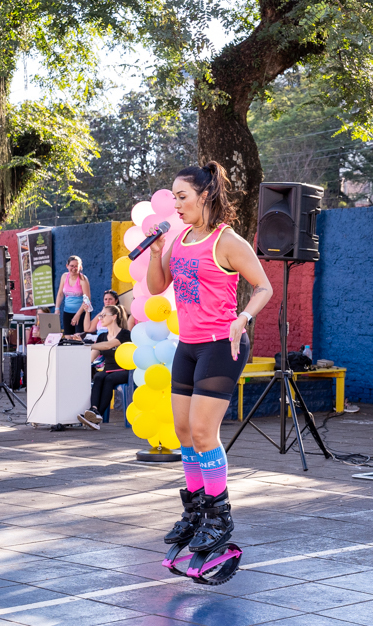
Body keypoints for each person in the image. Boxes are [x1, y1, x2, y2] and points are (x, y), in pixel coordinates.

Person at [146, 162, 273, 554]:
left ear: (205, 195)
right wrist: (155, 253)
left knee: (203, 432)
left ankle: (219, 516)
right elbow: (157, 286)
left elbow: (263, 287)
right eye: (173, 197)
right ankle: (196, 510)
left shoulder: (227, 241)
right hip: (188, 345)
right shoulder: (180, 238)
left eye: (182, 196)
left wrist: (243, 317)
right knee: (183, 431)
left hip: (221, 344)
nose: (176, 205)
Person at [78, 306, 131, 429]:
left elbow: (108, 346)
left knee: (109, 379)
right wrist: (79, 345)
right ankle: (94, 410)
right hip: (108, 370)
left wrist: (87, 345)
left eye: (103, 315)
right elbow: (91, 358)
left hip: (123, 370)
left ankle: (97, 417)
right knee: (98, 376)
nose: (100, 318)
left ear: (114, 317)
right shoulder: (102, 336)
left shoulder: (125, 334)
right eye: (100, 315)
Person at [54, 255, 90, 335]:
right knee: (68, 337)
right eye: (72, 266)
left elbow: (87, 299)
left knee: (78, 337)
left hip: (81, 313)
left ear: (80, 267)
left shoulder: (83, 279)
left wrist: (78, 314)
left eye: (76, 266)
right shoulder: (64, 277)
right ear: (67, 266)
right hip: (67, 312)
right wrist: (57, 309)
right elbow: (60, 294)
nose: (74, 268)